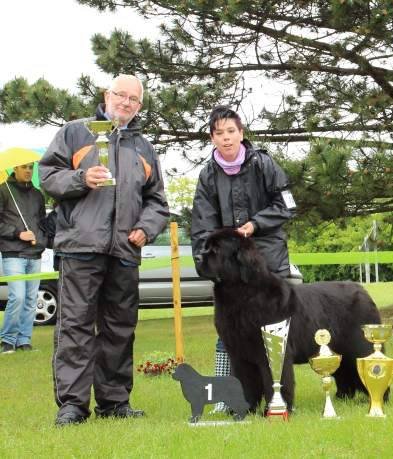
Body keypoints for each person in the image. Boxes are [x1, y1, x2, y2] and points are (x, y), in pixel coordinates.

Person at [39, 74, 169, 426]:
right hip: (81, 247)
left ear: (139, 106)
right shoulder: (75, 132)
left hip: (125, 251)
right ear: (106, 95)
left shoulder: (144, 147)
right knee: (75, 327)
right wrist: (81, 179)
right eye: (120, 95)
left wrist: (146, 227)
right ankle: (72, 406)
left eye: (133, 99)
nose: (125, 103)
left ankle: (114, 402)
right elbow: (47, 174)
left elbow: (157, 200)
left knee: (119, 328)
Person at [190, 105, 295, 412]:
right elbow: (202, 226)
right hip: (230, 273)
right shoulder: (208, 176)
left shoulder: (264, 164)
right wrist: (207, 262)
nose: (226, 139)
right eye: (219, 133)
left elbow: (287, 204)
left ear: (242, 133)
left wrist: (256, 223)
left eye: (231, 132)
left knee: (274, 334)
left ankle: (279, 398)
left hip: (269, 264)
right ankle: (233, 396)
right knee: (230, 332)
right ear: (212, 138)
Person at [0, 163, 46, 354]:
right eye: (24, 167)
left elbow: (43, 222)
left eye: (31, 168)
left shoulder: (37, 195)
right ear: (15, 169)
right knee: (17, 297)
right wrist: (18, 233)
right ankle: (7, 340)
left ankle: (24, 340)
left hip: (34, 254)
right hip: (13, 253)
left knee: (30, 299)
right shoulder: (3, 191)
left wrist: (41, 241)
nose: (28, 171)